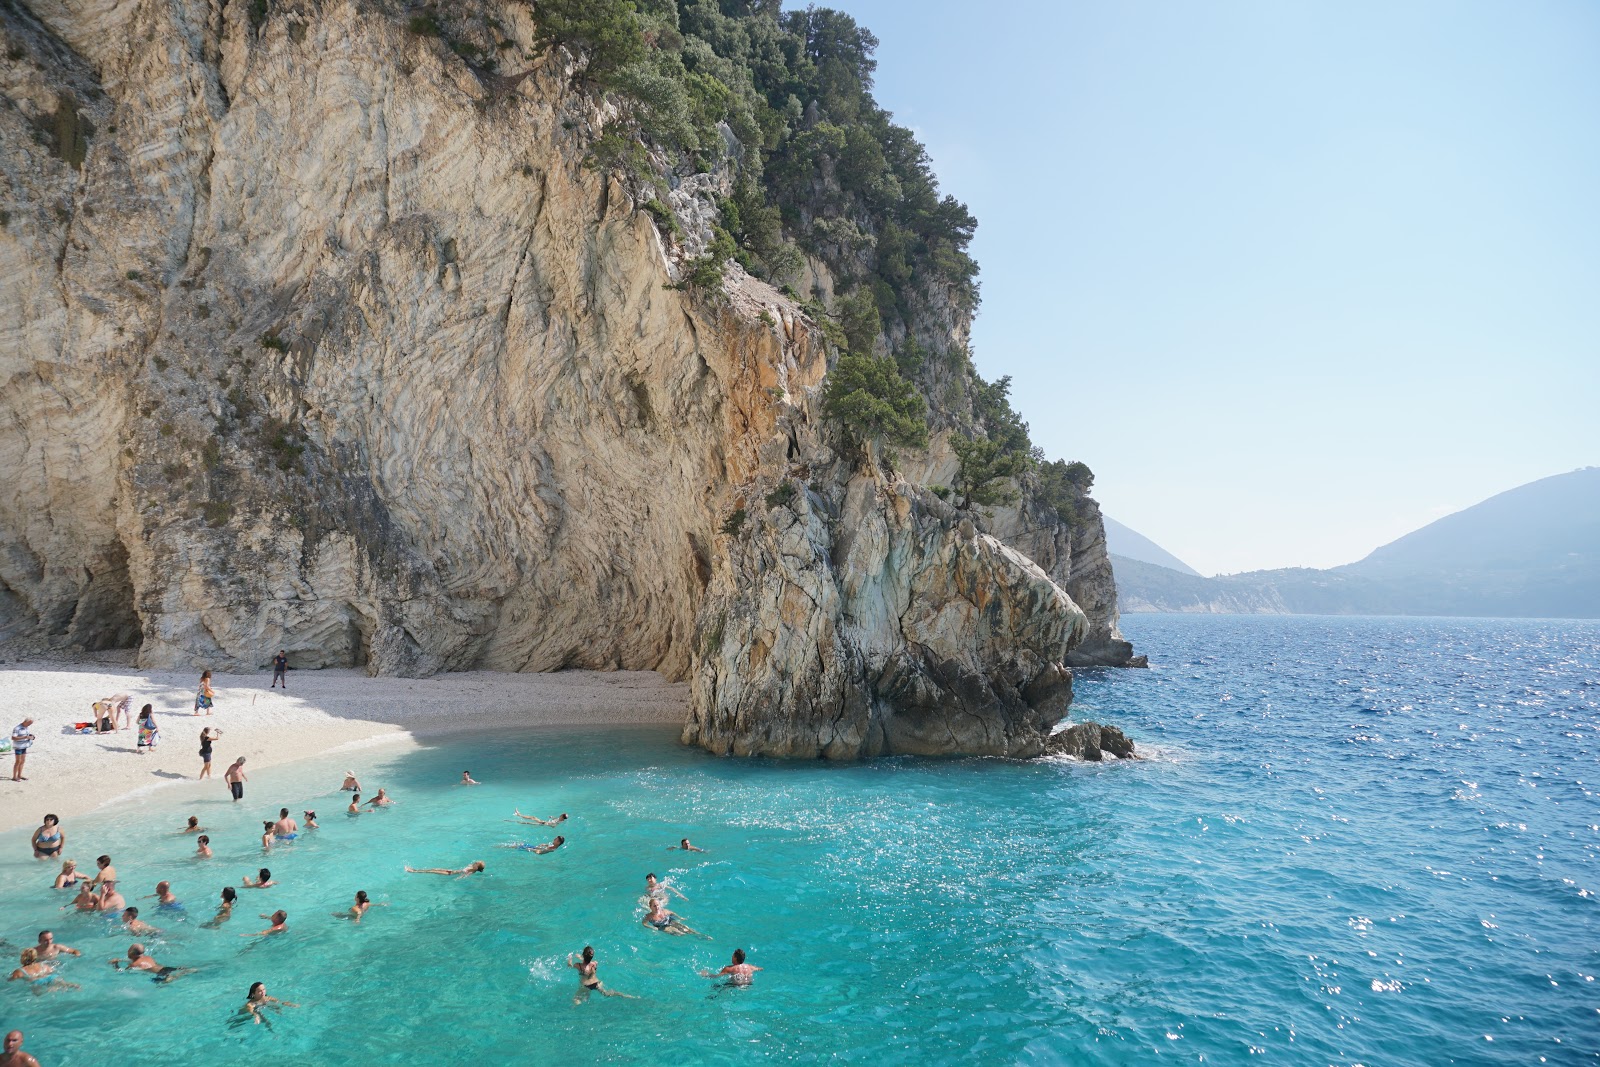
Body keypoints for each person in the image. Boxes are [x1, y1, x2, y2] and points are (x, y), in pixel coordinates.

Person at [568, 945, 635, 1003]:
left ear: (583, 955)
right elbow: (587, 962)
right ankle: (624, 995)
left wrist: (570, 958)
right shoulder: (594, 963)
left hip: (586, 985)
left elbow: (570, 966)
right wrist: (581, 957)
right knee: (606, 993)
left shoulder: (578, 965)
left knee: (576, 999)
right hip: (597, 983)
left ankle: (573, 1009)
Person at [110, 943, 191, 982]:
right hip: (165, 968)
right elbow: (136, 960)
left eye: (129, 950)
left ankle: (169, 978)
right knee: (177, 971)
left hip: (160, 973)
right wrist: (120, 960)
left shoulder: (133, 964)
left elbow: (121, 971)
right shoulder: (148, 957)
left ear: (132, 954)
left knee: (164, 981)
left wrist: (115, 964)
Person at [8, 949, 78, 992]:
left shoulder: (19, 971)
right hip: (52, 977)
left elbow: (10, 980)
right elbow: (52, 971)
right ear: (35, 957)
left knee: (38, 995)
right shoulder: (43, 965)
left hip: (37, 982)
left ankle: (51, 989)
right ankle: (71, 985)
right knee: (63, 984)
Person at [404, 861, 485, 877]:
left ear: (476, 867)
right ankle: (414, 870)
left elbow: (465, 875)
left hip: (450, 873)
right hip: (451, 871)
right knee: (434, 868)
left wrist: (457, 879)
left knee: (431, 871)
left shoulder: (472, 870)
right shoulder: (472, 866)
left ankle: (412, 871)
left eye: (476, 863)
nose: (475, 862)